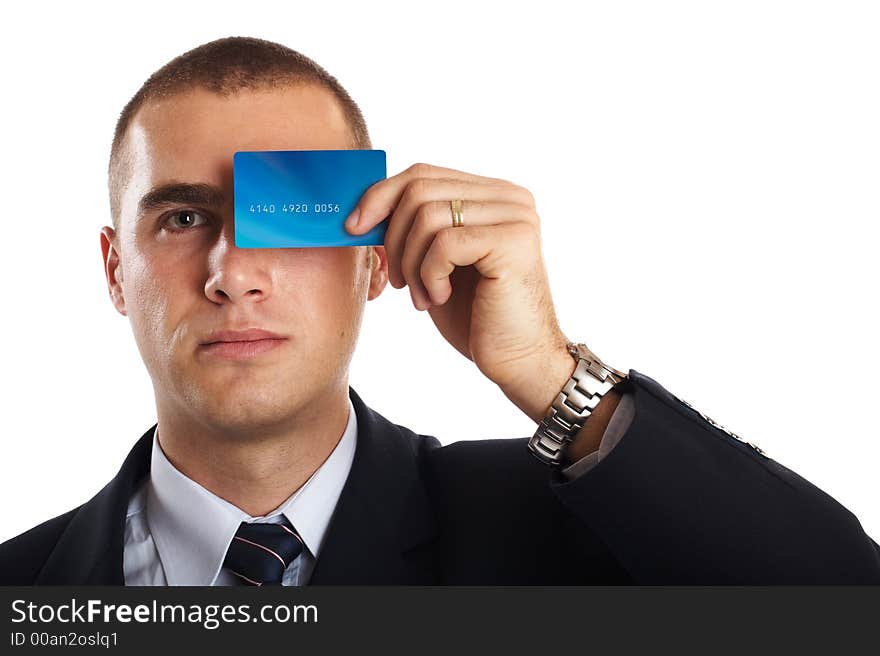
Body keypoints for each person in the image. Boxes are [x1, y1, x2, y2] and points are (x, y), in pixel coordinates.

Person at [1, 36, 877, 586]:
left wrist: (550, 371)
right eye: (184, 218)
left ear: (375, 255)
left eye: (289, 215)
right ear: (116, 271)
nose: (235, 274)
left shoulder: (560, 532)